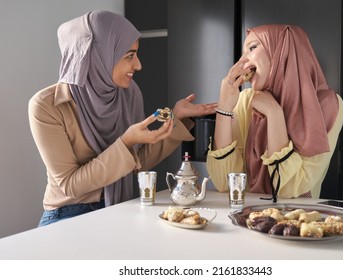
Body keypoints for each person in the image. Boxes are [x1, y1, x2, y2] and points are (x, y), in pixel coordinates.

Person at [28, 10, 217, 227]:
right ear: (97, 55)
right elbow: (71, 185)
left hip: (120, 207)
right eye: (129, 56)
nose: (138, 65)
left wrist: (177, 118)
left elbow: (134, 164)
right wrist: (125, 142)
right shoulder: (46, 105)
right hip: (67, 214)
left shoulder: (128, 93)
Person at [206, 24, 343, 202]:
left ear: (282, 51)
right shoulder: (246, 99)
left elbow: (288, 189)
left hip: (297, 219)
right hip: (244, 217)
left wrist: (274, 114)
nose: (242, 61)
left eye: (252, 48)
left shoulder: (328, 105)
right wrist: (224, 108)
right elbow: (225, 183)